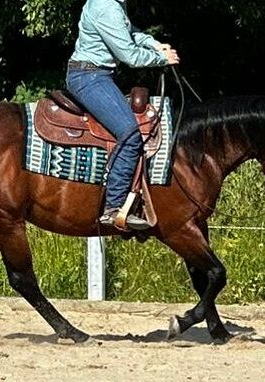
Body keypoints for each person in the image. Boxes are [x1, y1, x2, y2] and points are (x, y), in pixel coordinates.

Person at [66, 0, 180, 230]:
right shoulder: (106, 6)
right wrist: (161, 59)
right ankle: (114, 207)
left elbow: (128, 33)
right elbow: (129, 55)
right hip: (90, 78)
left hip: (98, 75)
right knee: (130, 135)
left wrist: (155, 44)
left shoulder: (115, 4)